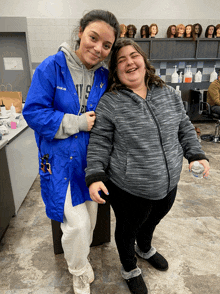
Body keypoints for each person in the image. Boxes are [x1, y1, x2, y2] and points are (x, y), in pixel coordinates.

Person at [85, 38, 210, 294]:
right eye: (121, 60)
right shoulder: (111, 102)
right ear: (116, 71)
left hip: (169, 180)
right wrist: (95, 174)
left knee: (153, 219)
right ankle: (129, 268)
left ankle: (144, 247)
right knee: (127, 229)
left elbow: (184, 126)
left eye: (134, 56)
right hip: (129, 186)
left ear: (143, 59)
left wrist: (195, 153)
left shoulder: (168, 93)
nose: (129, 62)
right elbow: (100, 141)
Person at [22, 9, 120, 294]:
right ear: (80, 32)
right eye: (93, 37)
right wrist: (77, 122)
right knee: (76, 225)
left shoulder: (103, 76)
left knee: (88, 222)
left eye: (106, 45)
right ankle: (78, 270)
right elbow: (33, 113)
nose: (98, 48)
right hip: (60, 161)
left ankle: (81, 259)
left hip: (90, 164)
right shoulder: (51, 67)